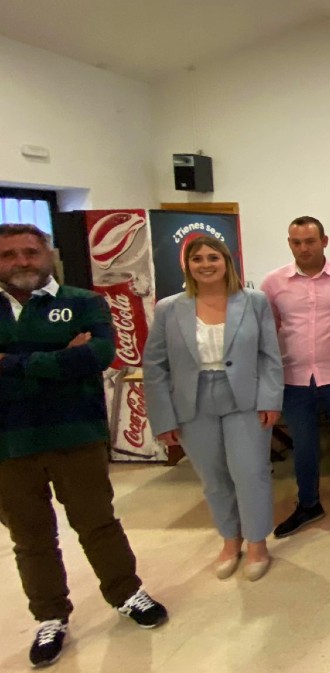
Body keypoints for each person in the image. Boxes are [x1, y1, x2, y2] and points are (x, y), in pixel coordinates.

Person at [0, 224, 167, 668]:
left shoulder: (83, 302)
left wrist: (12, 363)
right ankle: (50, 615)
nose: (21, 261)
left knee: (97, 522)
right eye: (9, 254)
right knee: (30, 537)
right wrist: (61, 358)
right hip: (9, 443)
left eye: (30, 252)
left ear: (48, 254)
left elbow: (98, 355)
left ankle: (126, 593)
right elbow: (75, 360)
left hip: (75, 436)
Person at [144, 235, 284, 581]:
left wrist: (270, 399)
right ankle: (229, 540)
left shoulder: (254, 301)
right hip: (192, 401)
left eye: (213, 257)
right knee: (213, 477)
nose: (206, 264)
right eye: (197, 259)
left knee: (250, 472)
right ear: (187, 265)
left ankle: (257, 543)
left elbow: (269, 355)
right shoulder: (168, 308)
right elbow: (155, 366)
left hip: (244, 398)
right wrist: (163, 417)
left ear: (226, 261)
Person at [261, 216, 330, 537]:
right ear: (289, 244)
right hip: (294, 379)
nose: (304, 248)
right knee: (304, 446)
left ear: (324, 241)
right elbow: (268, 332)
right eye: (296, 242)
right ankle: (309, 504)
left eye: (310, 241)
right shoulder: (273, 283)